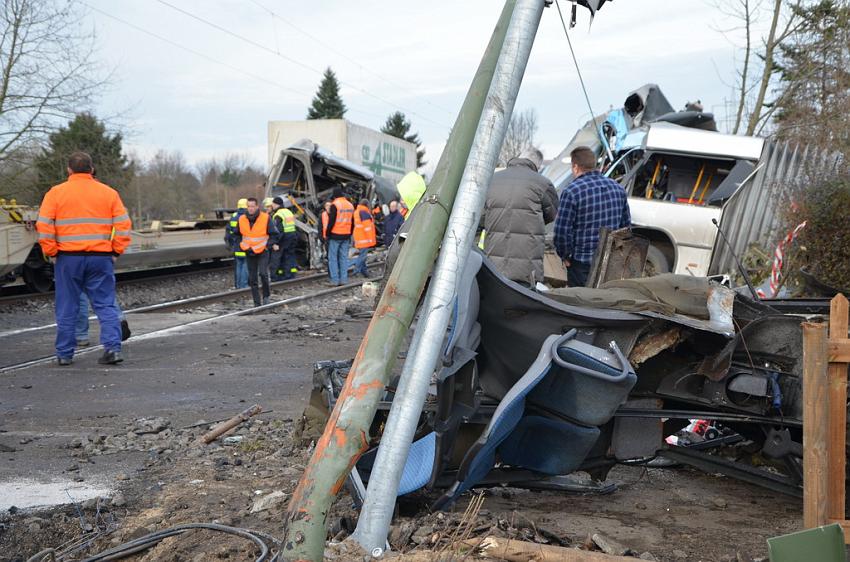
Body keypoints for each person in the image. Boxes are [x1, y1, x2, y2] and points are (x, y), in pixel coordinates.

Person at [36, 151, 131, 366]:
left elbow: (44, 226)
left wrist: (51, 252)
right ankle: (113, 349)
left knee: (67, 306)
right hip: (100, 257)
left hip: (68, 258)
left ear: (69, 170)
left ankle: (64, 354)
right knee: (105, 304)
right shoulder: (109, 193)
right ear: (92, 169)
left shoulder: (55, 193)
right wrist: (115, 251)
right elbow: (124, 226)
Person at [554, 146, 631, 287]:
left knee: (579, 305)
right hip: (608, 262)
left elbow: (562, 231)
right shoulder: (618, 189)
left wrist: (565, 256)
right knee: (603, 302)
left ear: (575, 167)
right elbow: (625, 227)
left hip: (581, 264)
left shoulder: (572, 191)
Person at [482, 148, 558, 286]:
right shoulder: (543, 183)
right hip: (527, 268)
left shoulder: (491, 180)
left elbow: (481, 219)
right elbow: (551, 215)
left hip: (493, 265)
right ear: (537, 165)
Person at [237, 197, 280, 306]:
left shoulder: (265, 218)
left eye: (252, 206)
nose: (250, 209)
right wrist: (240, 246)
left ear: (257, 207)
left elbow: (274, 234)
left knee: (263, 274)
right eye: (249, 206)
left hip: (262, 251)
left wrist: (267, 245)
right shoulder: (242, 219)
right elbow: (236, 234)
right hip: (249, 252)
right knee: (252, 279)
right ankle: (257, 303)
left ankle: (266, 296)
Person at [325, 186, 354, 285]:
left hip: (335, 235)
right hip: (346, 236)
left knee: (332, 258)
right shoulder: (350, 205)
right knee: (343, 258)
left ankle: (334, 280)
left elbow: (331, 221)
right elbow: (352, 222)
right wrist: (350, 233)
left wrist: (327, 234)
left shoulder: (335, 205)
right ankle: (344, 280)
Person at [269, 196, 297, 281]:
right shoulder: (288, 212)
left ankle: (277, 276)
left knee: (277, 257)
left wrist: (276, 243)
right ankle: (290, 275)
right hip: (293, 236)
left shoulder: (278, 215)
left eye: (273, 204)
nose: (272, 206)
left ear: (276, 204)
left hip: (284, 237)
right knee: (289, 256)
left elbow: (279, 230)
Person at [225, 198, 249, 289]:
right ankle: (244, 285)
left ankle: (238, 285)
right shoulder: (246, 216)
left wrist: (231, 244)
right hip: (244, 244)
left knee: (239, 265)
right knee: (245, 265)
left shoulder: (234, 216)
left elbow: (229, 231)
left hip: (236, 245)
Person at [352, 198, 377, 277]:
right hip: (364, 238)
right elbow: (367, 228)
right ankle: (356, 271)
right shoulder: (364, 213)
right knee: (362, 256)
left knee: (363, 255)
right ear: (367, 205)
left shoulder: (357, 212)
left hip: (359, 237)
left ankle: (364, 272)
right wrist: (371, 240)